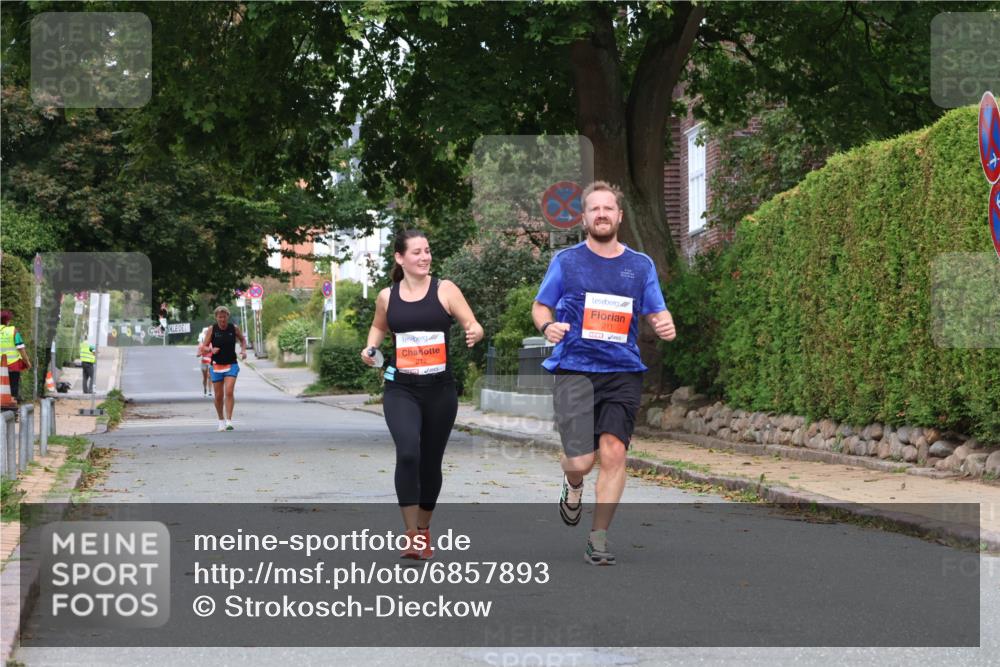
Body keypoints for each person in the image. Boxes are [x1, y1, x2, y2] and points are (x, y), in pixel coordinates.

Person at [532, 181, 676, 566]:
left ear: (619, 216)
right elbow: (541, 307)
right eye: (594, 209)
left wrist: (665, 324)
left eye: (607, 209)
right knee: (581, 461)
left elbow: (656, 309)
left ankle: (598, 538)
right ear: (583, 218)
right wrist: (548, 328)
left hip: (623, 371)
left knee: (614, 452)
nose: (601, 214)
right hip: (574, 369)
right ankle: (573, 482)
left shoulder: (639, 265)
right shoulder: (567, 261)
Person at [361, 230, 484, 560]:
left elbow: (472, 323)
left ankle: (425, 528)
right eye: (416, 252)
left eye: (427, 251)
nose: (424, 257)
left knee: (430, 463)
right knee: (408, 453)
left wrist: (474, 331)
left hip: (440, 391)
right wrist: (371, 347)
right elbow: (379, 326)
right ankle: (411, 535)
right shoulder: (388, 296)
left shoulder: (445, 290)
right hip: (401, 388)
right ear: (400, 259)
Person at [201, 306, 247, 431]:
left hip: (231, 364)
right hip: (216, 365)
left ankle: (229, 421)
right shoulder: (212, 329)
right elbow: (203, 347)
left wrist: (243, 350)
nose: (222, 319)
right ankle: (221, 420)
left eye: (224, 316)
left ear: (228, 316)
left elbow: (243, 340)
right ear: (216, 317)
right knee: (218, 396)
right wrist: (211, 349)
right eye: (220, 317)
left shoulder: (234, 328)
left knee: (229, 391)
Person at [0, 310, 31, 403]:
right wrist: (27, 362)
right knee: (13, 389)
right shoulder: (13, 331)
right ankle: (12, 412)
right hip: (13, 366)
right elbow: (21, 349)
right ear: (8, 320)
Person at [196, 326, 213, 397]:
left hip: (211, 361)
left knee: (210, 376)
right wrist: (200, 353)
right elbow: (198, 354)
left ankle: (210, 391)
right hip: (204, 361)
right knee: (205, 377)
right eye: (206, 333)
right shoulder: (201, 345)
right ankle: (205, 389)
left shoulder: (213, 343)